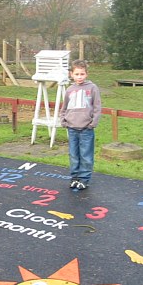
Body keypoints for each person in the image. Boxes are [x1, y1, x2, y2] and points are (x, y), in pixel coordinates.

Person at [60, 59, 102, 190]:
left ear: (86, 74)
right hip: (72, 128)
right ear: (71, 74)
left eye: (82, 74)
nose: (79, 77)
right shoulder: (69, 90)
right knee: (74, 154)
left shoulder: (92, 88)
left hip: (86, 128)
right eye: (77, 74)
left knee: (86, 155)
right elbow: (64, 107)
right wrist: (63, 120)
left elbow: (97, 106)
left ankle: (84, 179)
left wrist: (93, 122)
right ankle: (75, 177)